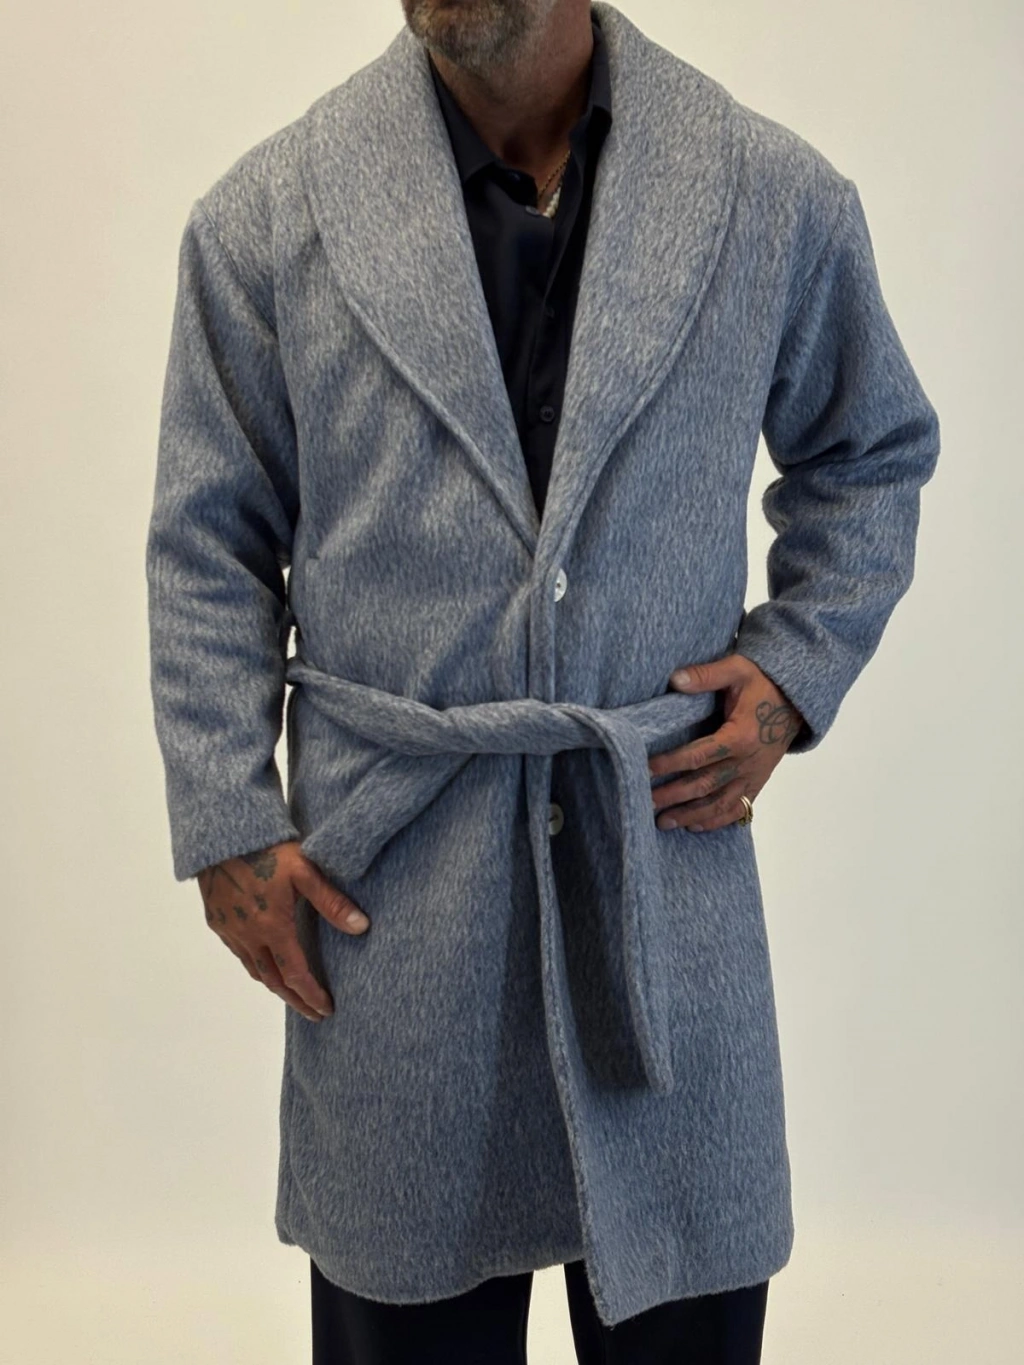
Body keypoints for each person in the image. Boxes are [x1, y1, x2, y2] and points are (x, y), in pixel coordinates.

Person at [145, 2, 941, 1361]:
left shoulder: (769, 195)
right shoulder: (266, 221)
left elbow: (870, 453)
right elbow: (207, 544)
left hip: (657, 854)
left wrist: (792, 671)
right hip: (397, 889)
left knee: (684, 1312)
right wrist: (227, 817)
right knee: (407, 1313)